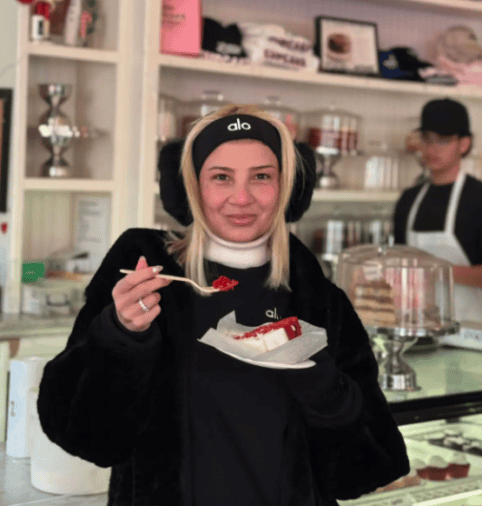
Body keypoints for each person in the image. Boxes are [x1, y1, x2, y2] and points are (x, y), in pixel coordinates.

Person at [37, 104, 409, 506]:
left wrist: (321, 384)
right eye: (221, 177)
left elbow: (369, 468)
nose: (242, 197)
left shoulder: (319, 298)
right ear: (194, 186)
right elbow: (87, 438)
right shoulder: (146, 272)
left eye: (261, 176)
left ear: (285, 185)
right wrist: (122, 335)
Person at [394, 98, 482, 325]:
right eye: (427, 138)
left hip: (472, 331)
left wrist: (435, 271)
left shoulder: (478, 197)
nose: (432, 148)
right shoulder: (409, 199)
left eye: (443, 139)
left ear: (464, 144)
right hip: (416, 327)